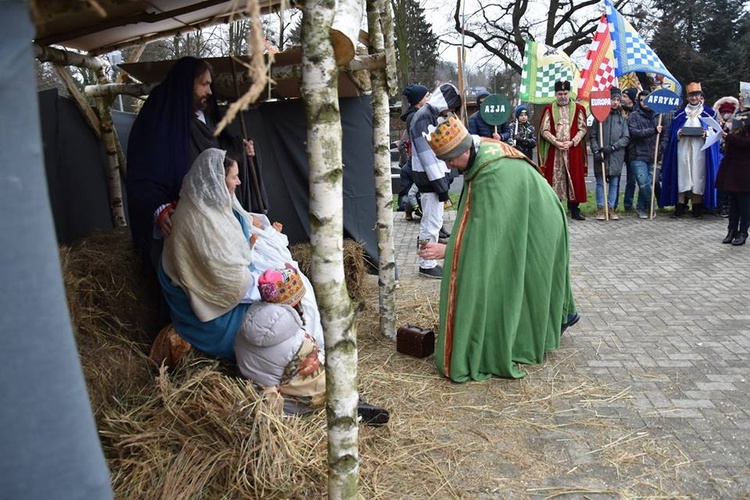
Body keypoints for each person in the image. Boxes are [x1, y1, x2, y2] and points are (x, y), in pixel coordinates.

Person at [417, 115, 578, 381]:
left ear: (465, 150)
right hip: (532, 209)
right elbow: (480, 225)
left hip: (541, 220)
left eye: (450, 159)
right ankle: (555, 318)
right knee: (518, 275)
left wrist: (447, 251)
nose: (448, 166)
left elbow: (486, 238)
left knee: (528, 275)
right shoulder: (480, 155)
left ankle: (547, 325)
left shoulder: (492, 171)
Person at [158, 148, 324, 360]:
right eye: (234, 177)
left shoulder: (210, 207)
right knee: (279, 322)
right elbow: (227, 282)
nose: (238, 183)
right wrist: (272, 287)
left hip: (231, 292)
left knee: (298, 291)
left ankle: (309, 347)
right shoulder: (196, 223)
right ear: (217, 180)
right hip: (213, 314)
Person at [127, 57, 261, 265]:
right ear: (187, 83)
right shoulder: (159, 115)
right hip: (180, 216)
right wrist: (158, 207)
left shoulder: (206, 114)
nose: (209, 91)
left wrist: (243, 151)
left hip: (211, 215)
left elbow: (218, 156)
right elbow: (143, 169)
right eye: (204, 84)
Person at [235, 266, 390, 424]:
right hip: (289, 406)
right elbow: (315, 383)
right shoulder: (299, 342)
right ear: (296, 301)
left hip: (258, 393)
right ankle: (354, 406)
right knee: (337, 375)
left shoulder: (247, 323)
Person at [409, 83, 462, 279]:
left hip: (433, 179)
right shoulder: (423, 118)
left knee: (434, 221)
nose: (451, 111)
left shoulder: (429, 115)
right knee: (430, 223)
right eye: (452, 106)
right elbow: (427, 157)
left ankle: (427, 261)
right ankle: (426, 263)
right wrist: (440, 184)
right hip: (430, 180)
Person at [661, 82, 722, 218]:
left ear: (701, 96)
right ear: (687, 97)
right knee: (682, 175)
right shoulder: (679, 114)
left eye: (696, 95)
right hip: (682, 149)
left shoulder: (709, 113)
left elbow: (717, 133)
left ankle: (697, 207)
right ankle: (680, 205)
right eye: (691, 95)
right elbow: (672, 133)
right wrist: (678, 133)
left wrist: (706, 134)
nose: (694, 98)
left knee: (698, 176)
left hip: (701, 151)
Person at [538, 80, 589, 220]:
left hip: (573, 149)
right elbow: (544, 130)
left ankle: (574, 210)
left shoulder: (579, 109)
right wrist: (556, 142)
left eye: (565, 93)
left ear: (569, 93)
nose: (563, 96)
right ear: (555, 94)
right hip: (555, 151)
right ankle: (556, 210)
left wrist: (572, 142)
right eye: (560, 94)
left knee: (574, 178)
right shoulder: (548, 109)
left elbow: (583, 128)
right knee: (555, 179)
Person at [589, 87, 630, 221]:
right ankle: (601, 208)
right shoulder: (599, 118)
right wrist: (596, 151)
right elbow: (593, 136)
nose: (615, 102)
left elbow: (626, 138)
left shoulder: (622, 119)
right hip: (601, 155)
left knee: (614, 183)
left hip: (615, 156)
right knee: (600, 183)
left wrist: (613, 147)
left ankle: (611, 208)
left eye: (618, 100)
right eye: (613, 99)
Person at [626, 91, 667, 219]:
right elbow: (634, 133)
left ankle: (641, 208)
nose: (645, 102)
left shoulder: (659, 115)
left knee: (651, 182)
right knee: (643, 182)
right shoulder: (634, 116)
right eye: (642, 100)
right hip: (638, 155)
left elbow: (665, 135)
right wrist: (653, 131)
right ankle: (651, 204)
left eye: (647, 99)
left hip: (654, 155)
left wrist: (660, 149)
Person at [715, 104, 750, 246]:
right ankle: (731, 230)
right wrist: (724, 131)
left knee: (745, 203)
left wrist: (729, 137)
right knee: (733, 201)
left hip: (746, 166)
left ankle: (743, 232)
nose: (740, 100)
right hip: (732, 163)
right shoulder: (737, 115)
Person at [398, 84, 429, 221]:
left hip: (416, 160)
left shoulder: (415, 114)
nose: (428, 99)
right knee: (418, 192)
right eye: (426, 96)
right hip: (418, 161)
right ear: (419, 100)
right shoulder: (416, 116)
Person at [713, 96, 741, 217]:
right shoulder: (716, 122)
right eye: (723, 112)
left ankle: (729, 206)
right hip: (719, 155)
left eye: (728, 112)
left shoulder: (737, 123)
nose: (726, 115)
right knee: (721, 182)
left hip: (733, 156)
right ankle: (721, 206)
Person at [618, 87, 639, 212]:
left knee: (631, 179)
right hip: (620, 149)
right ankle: (612, 205)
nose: (622, 99)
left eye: (625, 97)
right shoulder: (617, 110)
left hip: (633, 150)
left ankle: (628, 204)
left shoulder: (637, 111)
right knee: (615, 177)